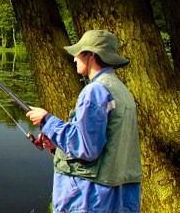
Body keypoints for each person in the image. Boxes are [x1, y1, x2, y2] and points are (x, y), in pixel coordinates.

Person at [26, 29, 141, 212]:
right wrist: (56, 144)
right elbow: (104, 142)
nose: (74, 59)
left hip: (91, 197)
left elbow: (85, 147)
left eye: (78, 54)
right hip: (118, 194)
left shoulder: (95, 91)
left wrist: (47, 120)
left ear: (91, 55)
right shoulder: (121, 90)